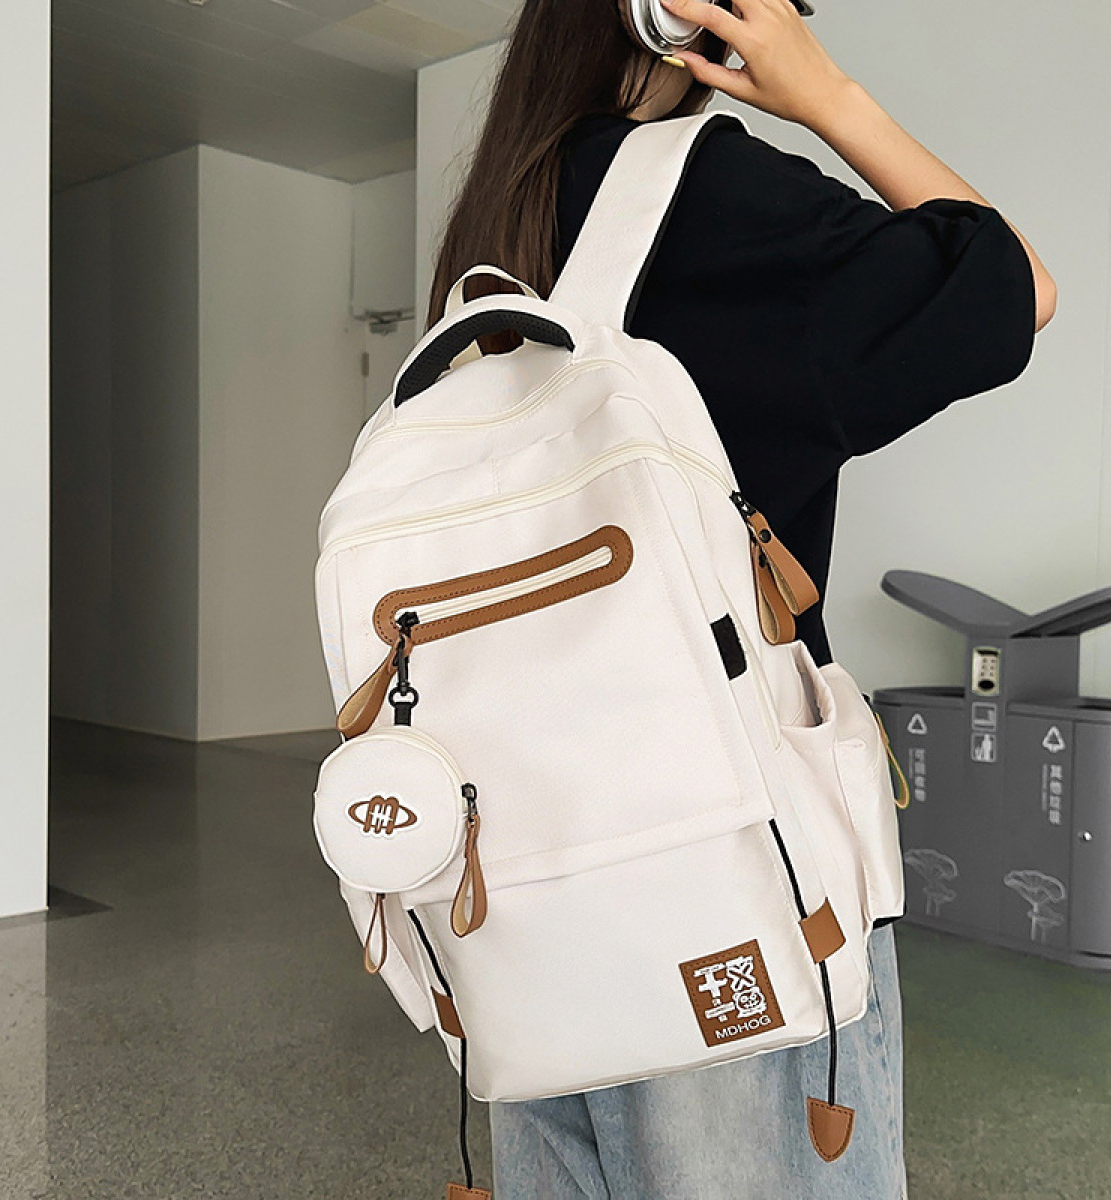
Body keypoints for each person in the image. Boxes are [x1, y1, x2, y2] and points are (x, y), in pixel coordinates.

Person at [426, 1, 1056, 1196]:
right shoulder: (702, 191)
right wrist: (828, 95)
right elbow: (1013, 289)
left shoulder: (503, 230)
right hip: (717, 853)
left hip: (523, 863)